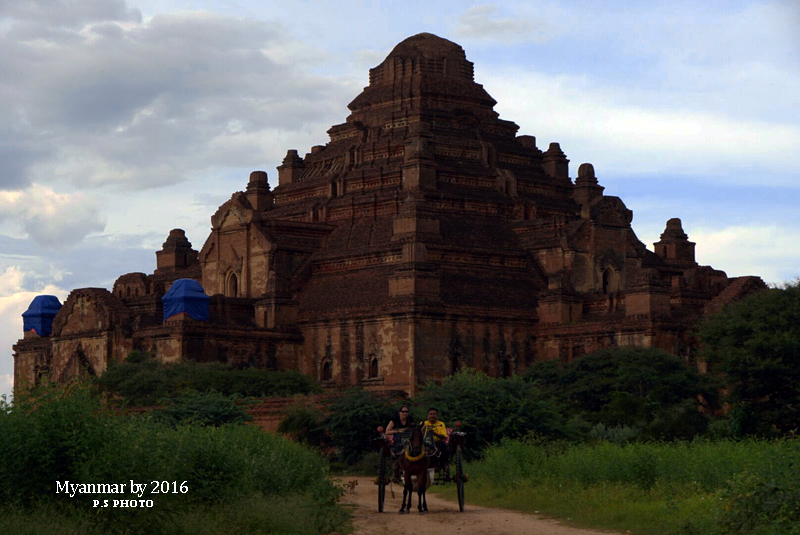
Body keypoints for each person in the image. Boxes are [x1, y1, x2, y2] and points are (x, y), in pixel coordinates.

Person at [385, 405, 415, 483]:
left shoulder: (410, 419)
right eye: (403, 412)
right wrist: (398, 431)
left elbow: (414, 428)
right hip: (399, 438)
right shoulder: (394, 420)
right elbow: (387, 431)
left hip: (409, 437)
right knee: (399, 444)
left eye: (406, 412)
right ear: (399, 412)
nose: (405, 413)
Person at [420, 407, 450, 480]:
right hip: (425, 443)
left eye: (434, 414)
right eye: (430, 414)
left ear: (437, 416)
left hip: (437, 442)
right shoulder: (423, 423)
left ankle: (444, 464)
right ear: (428, 416)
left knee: (443, 445)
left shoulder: (441, 424)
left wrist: (434, 433)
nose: (432, 416)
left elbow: (443, 436)